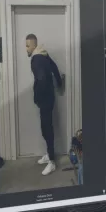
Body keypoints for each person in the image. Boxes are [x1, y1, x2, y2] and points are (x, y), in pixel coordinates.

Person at [25, 34, 63, 176]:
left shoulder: (36, 59)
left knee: (46, 128)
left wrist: (37, 98)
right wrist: (59, 82)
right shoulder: (44, 54)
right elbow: (54, 67)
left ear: (34, 46)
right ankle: (49, 154)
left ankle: (52, 162)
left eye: (28, 46)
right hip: (50, 98)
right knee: (47, 127)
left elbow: (40, 79)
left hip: (45, 100)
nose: (26, 49)